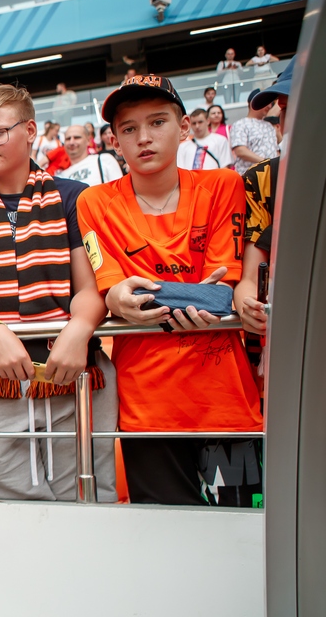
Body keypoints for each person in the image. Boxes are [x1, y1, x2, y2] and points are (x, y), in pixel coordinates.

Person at [76, 74, 262, 506]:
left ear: (183, 128)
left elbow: (219, 294)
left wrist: (132, 297)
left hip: (224, 404)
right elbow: (116, 292)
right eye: (128, 128)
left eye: (157, 122)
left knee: (240, 544)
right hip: (148, 409)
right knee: (166, 547)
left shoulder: (222, 186)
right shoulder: (94, 203)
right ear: (115, 141)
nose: (143, 138)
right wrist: (115, 298)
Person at [0, 83, 117, 502]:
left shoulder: (74, 195)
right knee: (8, 501)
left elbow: (90, 287)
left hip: (73, 371)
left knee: (89, 497)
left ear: (31, 130)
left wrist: (78, 331)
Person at [235, 60, 295, 362]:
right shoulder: (261, 179)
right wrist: (248, 304)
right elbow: (250, 275)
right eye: (283, 109)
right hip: (287, 336)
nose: (287, 120)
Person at [230, 89, 278, 176]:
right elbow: (240, 151)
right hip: (251, 178)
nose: (269, 106)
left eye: (270, 103)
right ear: (253, 102)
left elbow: (276, 150)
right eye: (265, 102)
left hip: (271, 175)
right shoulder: (241, 124)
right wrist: (265, 162)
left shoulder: (269, 126)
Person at [55, 124, 122, 184]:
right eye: (68, 139)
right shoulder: (61, 176)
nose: (71, 142)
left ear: (88, 140)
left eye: (77, 137)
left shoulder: (104, 159)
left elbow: (120, 188)